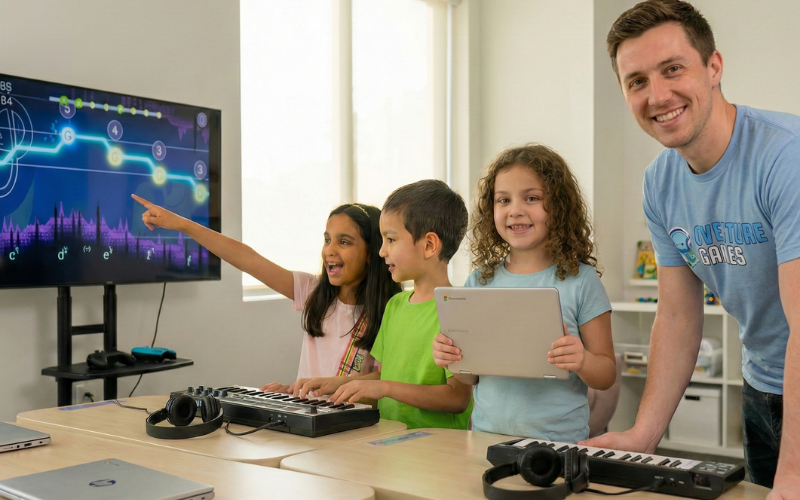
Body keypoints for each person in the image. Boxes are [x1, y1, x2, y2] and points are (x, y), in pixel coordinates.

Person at [585, 0, 800, 495]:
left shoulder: (783, 157)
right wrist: (644, 433)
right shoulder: (660, 183)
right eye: (636, 81)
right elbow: (679, 317)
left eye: (673, 69)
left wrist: (791, 472)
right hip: (761, 385)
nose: (657, 95)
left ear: (714, 67)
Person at [432, 144, 615, 442]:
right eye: (503, 200)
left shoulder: (582, 280)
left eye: (531, 198)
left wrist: (582, 360)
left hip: (558, 444)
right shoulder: (478, 282)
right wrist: (451, 358)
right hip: (484, 440)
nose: (515, 210)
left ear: (559, 206)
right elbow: (469, 377)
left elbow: (606, 376)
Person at [132, 194, 400, 392]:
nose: (330, 250)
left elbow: (385, 385)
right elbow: (247, 259)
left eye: (344, 242)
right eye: (327, 239)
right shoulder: (313, 292)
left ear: (372, 253)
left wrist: (328, 387)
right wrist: (182, 225)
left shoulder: (390, 311)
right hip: (308, 422)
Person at [293, 179, 474, 429]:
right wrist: (336, 384)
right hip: (390, 442)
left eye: (390, 240)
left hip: (437, 450)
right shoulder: (396, 305)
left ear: (429, 245)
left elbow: (457, 399)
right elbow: (384, 375)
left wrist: (385, 388)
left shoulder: (458, 310)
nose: (381, 252)